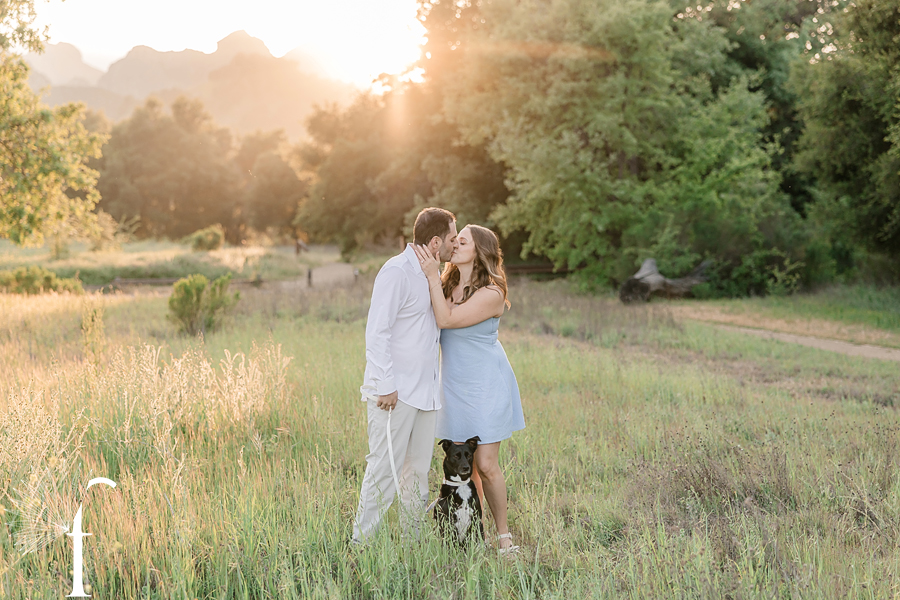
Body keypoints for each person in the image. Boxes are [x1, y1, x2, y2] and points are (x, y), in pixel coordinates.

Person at [413, 224, 525, 554]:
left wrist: (432, 275)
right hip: (454, 387)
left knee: (487, 465)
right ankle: (475, 532)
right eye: (455, 239)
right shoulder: (446, 284)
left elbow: (446, 320)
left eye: (463, 241)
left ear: (480, 252)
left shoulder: (492, 292)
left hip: (486, 384)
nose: (455, 243)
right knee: (467, 464)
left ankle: (504, 539)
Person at [352, 207, 459, 544]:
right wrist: (385, 385)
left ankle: (413, 542)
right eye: (453, 239)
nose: (456, 245)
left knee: (417, 472)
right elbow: (377, 331)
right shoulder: (396, 271)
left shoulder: (432, 274)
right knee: (383, 469)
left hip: (426, 394)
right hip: (394, 394)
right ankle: (361, 544)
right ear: (436, 241)